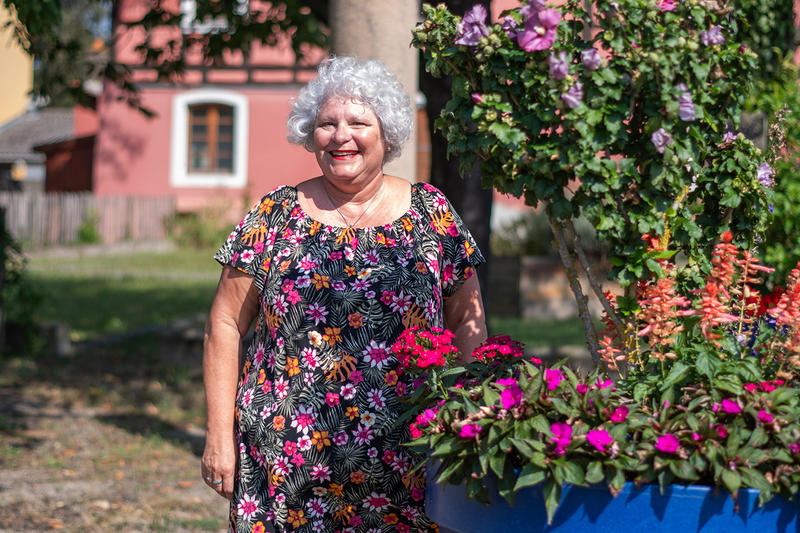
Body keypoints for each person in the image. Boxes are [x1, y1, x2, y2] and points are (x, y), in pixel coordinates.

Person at [201, 56, 487, 533]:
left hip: (411, 455)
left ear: (387, 133)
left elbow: (469, 323)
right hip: (286, 458)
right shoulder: (274, 215)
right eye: (327, 124)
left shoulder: (432, 213)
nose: (341, 136)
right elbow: (224, 324)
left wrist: (469, 421)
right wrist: (218, 435)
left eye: (358, 122)